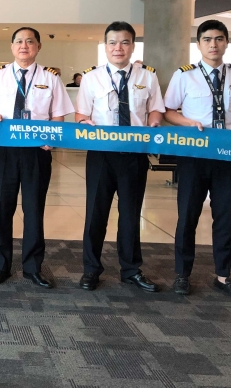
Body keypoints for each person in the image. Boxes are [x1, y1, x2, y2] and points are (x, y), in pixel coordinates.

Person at [164, 19, 231, 299]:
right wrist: (188, 122)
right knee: (188, 216)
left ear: (226, 42)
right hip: (194, 155)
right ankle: (182, 275)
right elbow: (168, 111)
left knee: (225, 216)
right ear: (198, 44)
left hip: (227, 156)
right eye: (207, 39)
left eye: (219, 39)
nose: (213, 44)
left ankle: (223, 276)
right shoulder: (184, 75)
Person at [75, 21, 164, 293]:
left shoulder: (147, 76)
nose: (118, 48)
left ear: (132, 46)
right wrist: (84, 122)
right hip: (101, 154)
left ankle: (131, 270)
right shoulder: (91, 78)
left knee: (130, 214)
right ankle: (91, 269)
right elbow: (81, 114)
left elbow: (156, 109)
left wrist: (154, 123)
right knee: (96, 214)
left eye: (124, 42)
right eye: (112, 42)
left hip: (134, 154)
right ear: (105, 47)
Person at [0, 27, 73, 288]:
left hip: (37, 152)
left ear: (38, 47)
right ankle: (1, 266)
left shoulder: (51, 78)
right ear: (12, 47)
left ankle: (32, 267)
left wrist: (51, 139)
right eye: (19, 41)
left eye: (30, 41)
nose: (24, 46)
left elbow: (58, 115)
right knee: (2, 209)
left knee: (33, 210)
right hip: (4, 152)